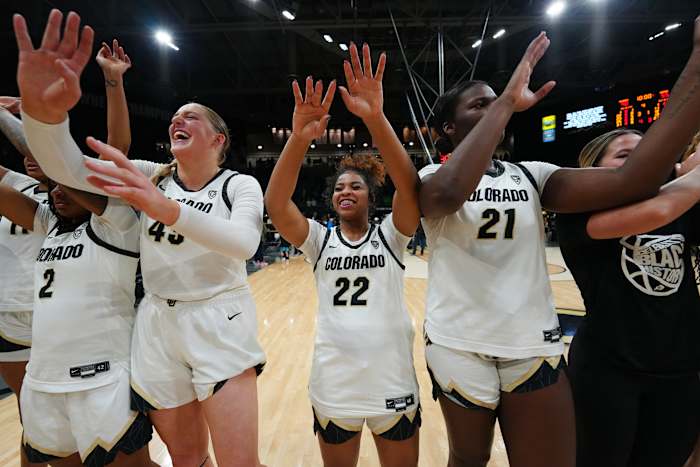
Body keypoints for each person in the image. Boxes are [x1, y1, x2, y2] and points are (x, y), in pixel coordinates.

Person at [418, 19, 700, 467]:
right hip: (459, 341)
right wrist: (507, 101)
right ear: (448, 129)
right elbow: (448, 197)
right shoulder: (432, 177)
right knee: (466, 459)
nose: (495, 109)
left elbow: (635, 179)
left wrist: (695, 70)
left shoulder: (534, 174)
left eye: (497, 103)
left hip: (533, 344)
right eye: (479, 105)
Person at [14, 10, 266, 466]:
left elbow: (244, 244)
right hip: (155, 323)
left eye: (189, 116)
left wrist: (166, 209)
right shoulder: (152, 176)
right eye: (173, 117)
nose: (177, 120)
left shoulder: (238, 185)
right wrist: (43, 118)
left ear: (218, 139)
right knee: (188, 458)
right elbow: (67, 169)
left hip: (218, 316)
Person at [265, 43, 422, 467]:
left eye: (354, 186)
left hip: (392, 379)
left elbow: (411, 189)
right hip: (334, 382)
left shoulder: (392, 235)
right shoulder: (319, 241)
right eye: (338, 188)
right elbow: (277, 204)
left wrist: (375, 116)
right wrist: (299, 140)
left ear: (371, 196)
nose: (344, 191)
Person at [556, 129, 700, 467]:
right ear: (595, 171)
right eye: (625, 156)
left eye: (648, 153)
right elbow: (659, 210)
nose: (642, 163)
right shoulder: (578, 214)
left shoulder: (682, 208)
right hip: (608, 371)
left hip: (680, 371)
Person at [0, 178, 155, 466]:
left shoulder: (118, 225)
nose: (57, 192)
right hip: (45, 379)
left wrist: (50, 151)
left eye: (66, 184)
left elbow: (111, 150)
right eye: (52, 185)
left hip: (101, 379)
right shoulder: (50, 224)